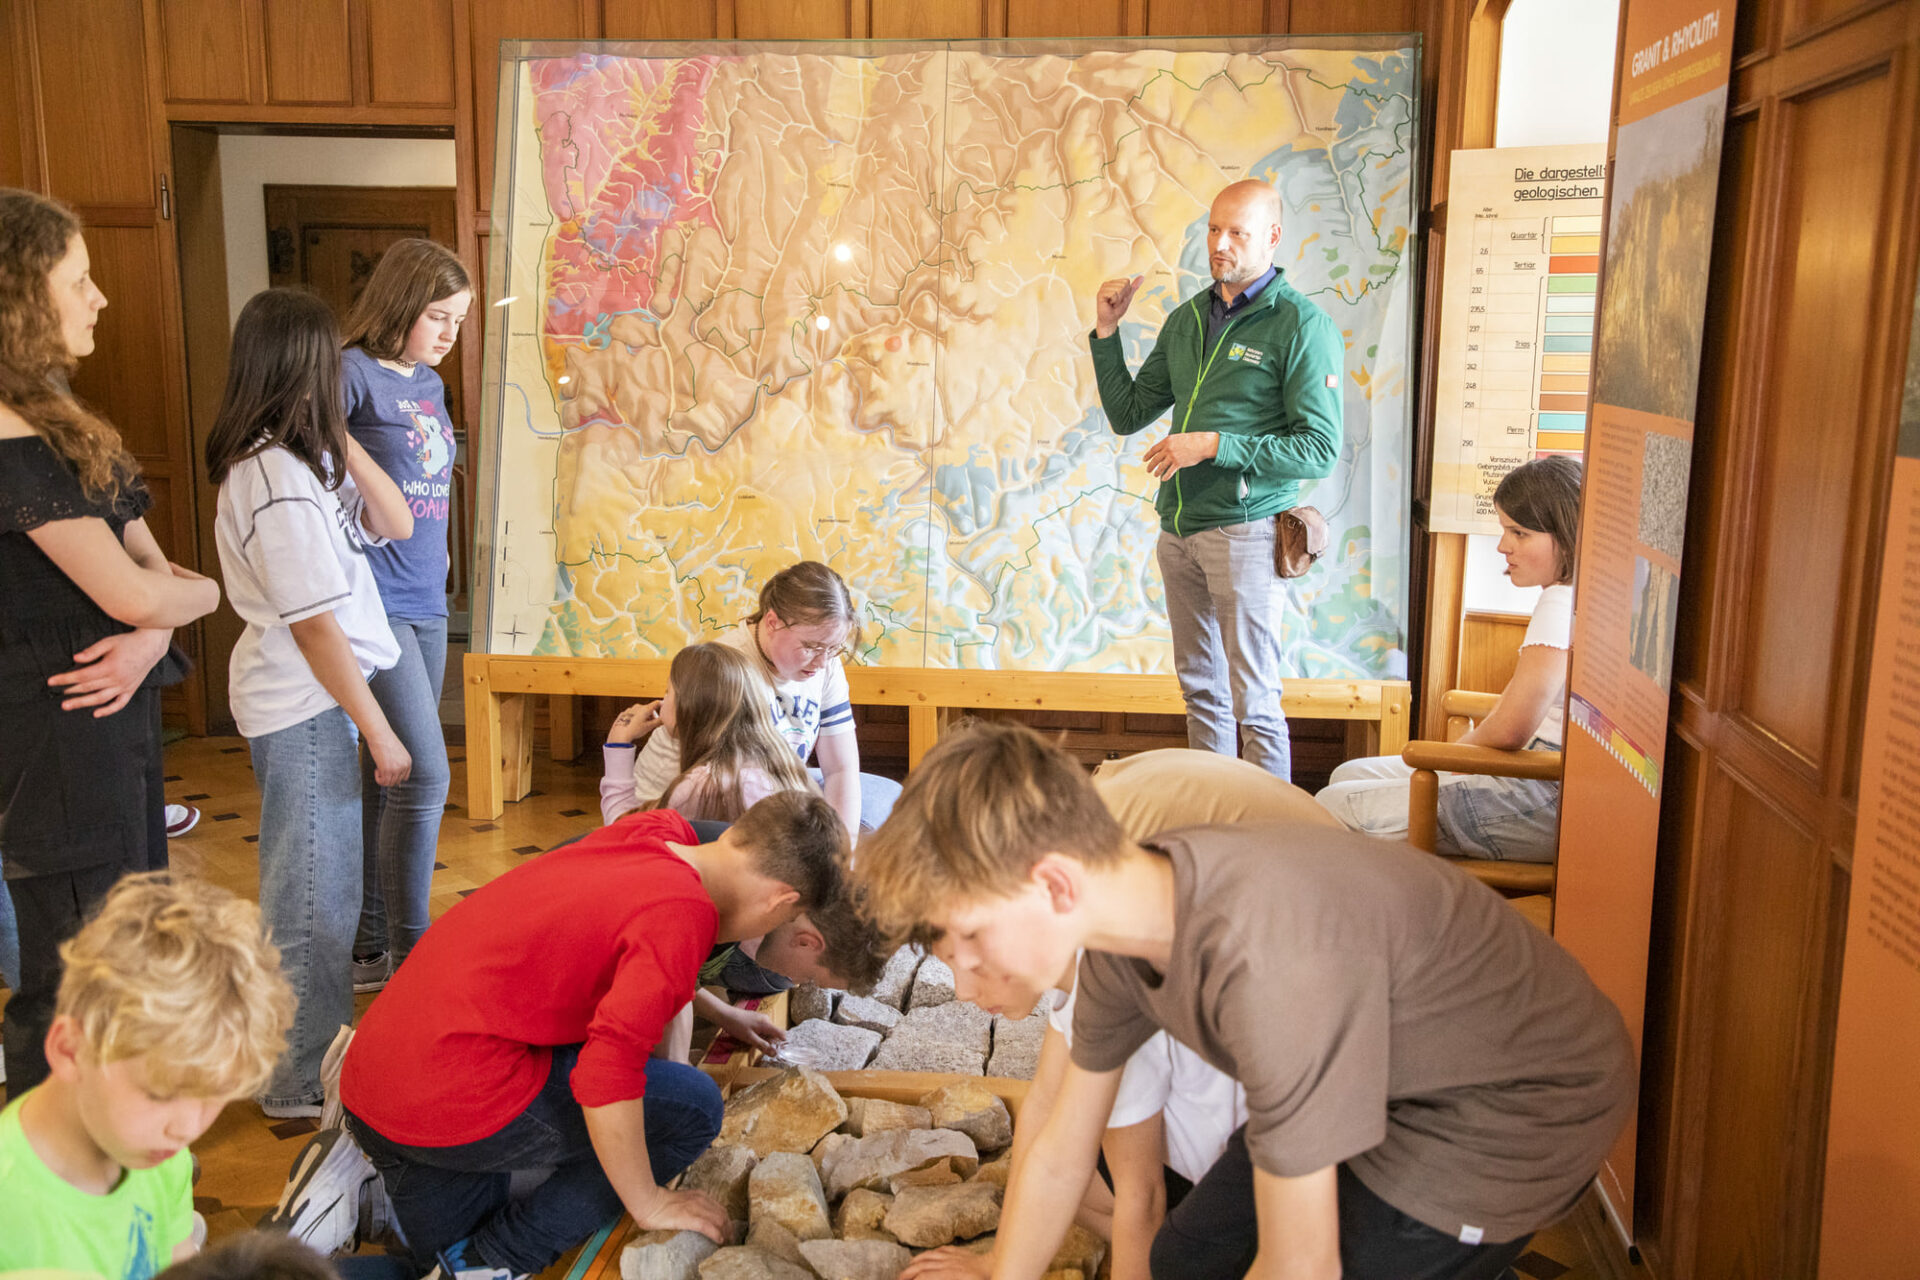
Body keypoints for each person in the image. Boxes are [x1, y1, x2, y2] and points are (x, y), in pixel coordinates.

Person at [858, 721, 1636, 1280]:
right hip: (1382, 1073)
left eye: (969, 942)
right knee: (1187, 1259)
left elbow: (1303, 1264)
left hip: (1509, 1113)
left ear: (1054, 883)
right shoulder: (1122, 922)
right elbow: (1061, 1145)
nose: (962, 983)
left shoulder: (1269, 963)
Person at [289, 792, 850, 1280]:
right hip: (450, 1099)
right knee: (693, 1107)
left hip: (379, 1082)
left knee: (445, 1266)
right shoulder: (682, 917)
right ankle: (502, 1252)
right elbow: (606, 1080)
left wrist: (716, 1012)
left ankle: (334, 1215)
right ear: (779, 902)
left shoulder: (656, 831)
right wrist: (649, 1202)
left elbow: (625, 951)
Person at [906, 747, 1339, 1280]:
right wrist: (999, 1263)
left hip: (1296, 1125)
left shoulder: (1116, 957)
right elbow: (1045, 1110)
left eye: (972, 947)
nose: (964, 989)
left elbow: (1143, 1198)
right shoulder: (1086, 936)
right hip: (1266, 1084)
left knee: (1151, 1229)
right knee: (1060, 1169)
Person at [0, 189, 219, 1091]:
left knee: (123, 960)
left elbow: (167, 583)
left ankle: (113, 1166)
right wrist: (165, 608)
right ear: (20, 297)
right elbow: (145, 589)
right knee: (69, 982)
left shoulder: (57, 424)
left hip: (107, 731)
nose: (99, 299)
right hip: (55, 749)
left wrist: (150, 631)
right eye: (79, 281)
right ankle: (48, 1193)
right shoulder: (11, 443)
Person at [207, 288, 415, 1117]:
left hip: (312, 703)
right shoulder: (275, 478)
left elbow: (395, 521)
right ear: (303, 366)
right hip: (307, 707)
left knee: (322, 896)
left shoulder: (297, 462)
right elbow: (316, 628)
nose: (342, 374)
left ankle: (310, 1067)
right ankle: (298, 1083)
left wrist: (336, 436)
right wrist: (382, 731)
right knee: (309, 903)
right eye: (330, 362)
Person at [1090, 179, 1344, 782]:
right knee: (1202, 694)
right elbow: (1128, 413)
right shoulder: (1185, 320)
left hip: (1249, 534)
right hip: (1178, 533)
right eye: (1213, 230)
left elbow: (1319, 450)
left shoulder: (1301, 327)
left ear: (1273, 238)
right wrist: (1107, 333)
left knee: (1255, 703)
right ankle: (1216, 825)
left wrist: (1213, 445)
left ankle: (1269, 841)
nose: (1220, 244)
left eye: (1237, 232)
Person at [0, 871, 295, 1277]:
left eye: (214, 1099)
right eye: (160, 1094)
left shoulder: (161, 1153)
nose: (187, 1129)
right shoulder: (11, 1206)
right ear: (70, 1050)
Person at [1315, 456, 1583, 862]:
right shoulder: (1570, 596)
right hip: (1541, 783)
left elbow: (1511, 730)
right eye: (1504, 529)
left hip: (1537, 796)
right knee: (1347, 776)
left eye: (1519, 533)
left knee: (1334, 804)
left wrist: (1460, 759)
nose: (1502, 545)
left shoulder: (1561, 603)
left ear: (1566, 536)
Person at [338, 238, 473, 996]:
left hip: (426, 599)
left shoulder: (427, 384)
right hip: (376, 602)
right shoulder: (348, 373)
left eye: (457, 319)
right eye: (436, 316)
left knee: (388, 777)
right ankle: (412, 956)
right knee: (423, 774)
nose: (449, 334)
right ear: (397, 305)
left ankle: (366, 948)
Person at [620, 560, 901, 837]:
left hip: (761, 788)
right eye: (812, 647)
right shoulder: (727, 667)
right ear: (772, 623)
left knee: (889, 796)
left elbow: (841, 768)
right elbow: (724, 792)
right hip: (697, 805)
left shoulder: (824, 661)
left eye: (834, 648)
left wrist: (844, 853)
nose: (824, 662)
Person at [600, 642, 816, 825]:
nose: (663, 700)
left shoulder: (700, 787)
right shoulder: (781, 760)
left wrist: (618, 743)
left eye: (668, 691)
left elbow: (622, 830)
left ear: (690, 709)